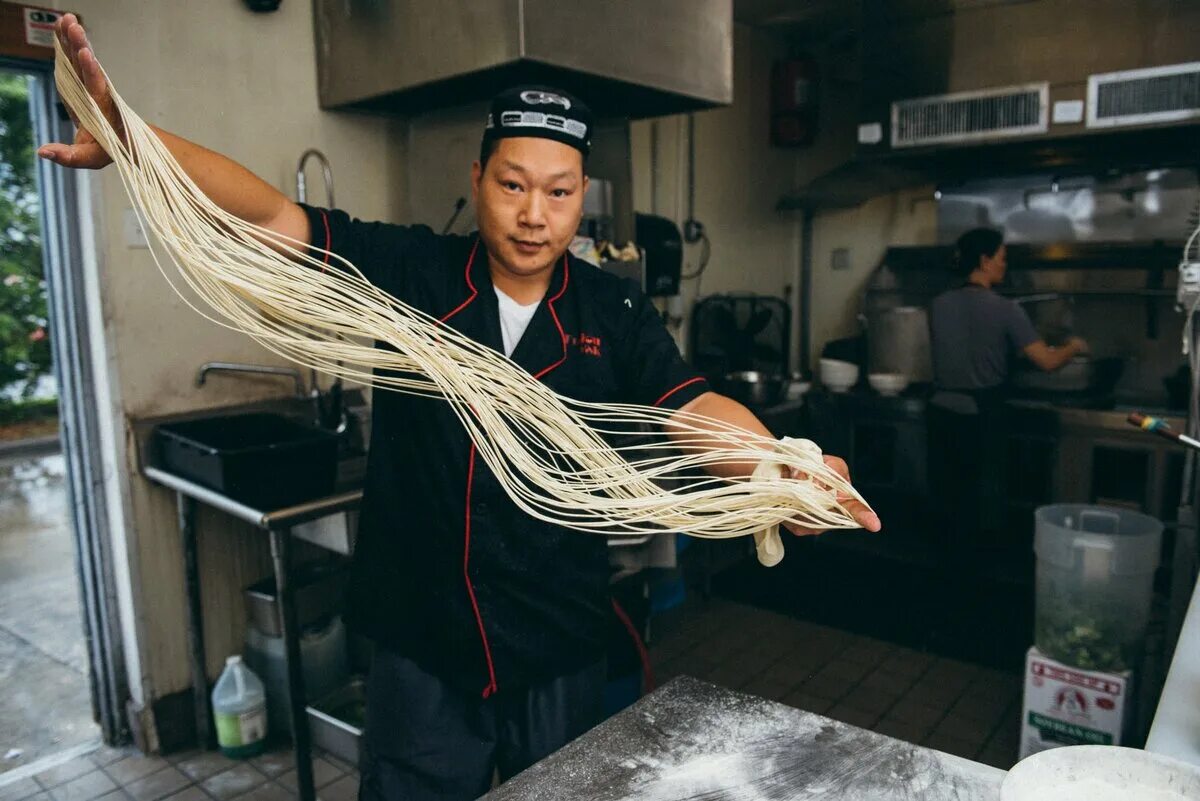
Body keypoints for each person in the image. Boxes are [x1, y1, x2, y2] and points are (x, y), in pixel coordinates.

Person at [42, 15, 880, 801]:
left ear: (583, 193)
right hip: (424, 646)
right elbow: (270, 214)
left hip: (558, 640)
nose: (533, 215)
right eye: (513, 183)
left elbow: (689, 405)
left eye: (558, 192)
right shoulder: (411, 272)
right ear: (477, 176)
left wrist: (779, 464)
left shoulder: (611, 311)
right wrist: (131, 137)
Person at [927, 227, 1086, 546]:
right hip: (982, 415)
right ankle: (981, 572)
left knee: (946, 495)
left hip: (940, 411)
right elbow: (1047, 361)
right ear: (985, 261)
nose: (1005, 265)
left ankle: (943, 568)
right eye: (1002, 258)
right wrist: (1074, 346)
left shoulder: (938, 304)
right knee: (982, 498)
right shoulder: (1006, 309)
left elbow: (965, 346)